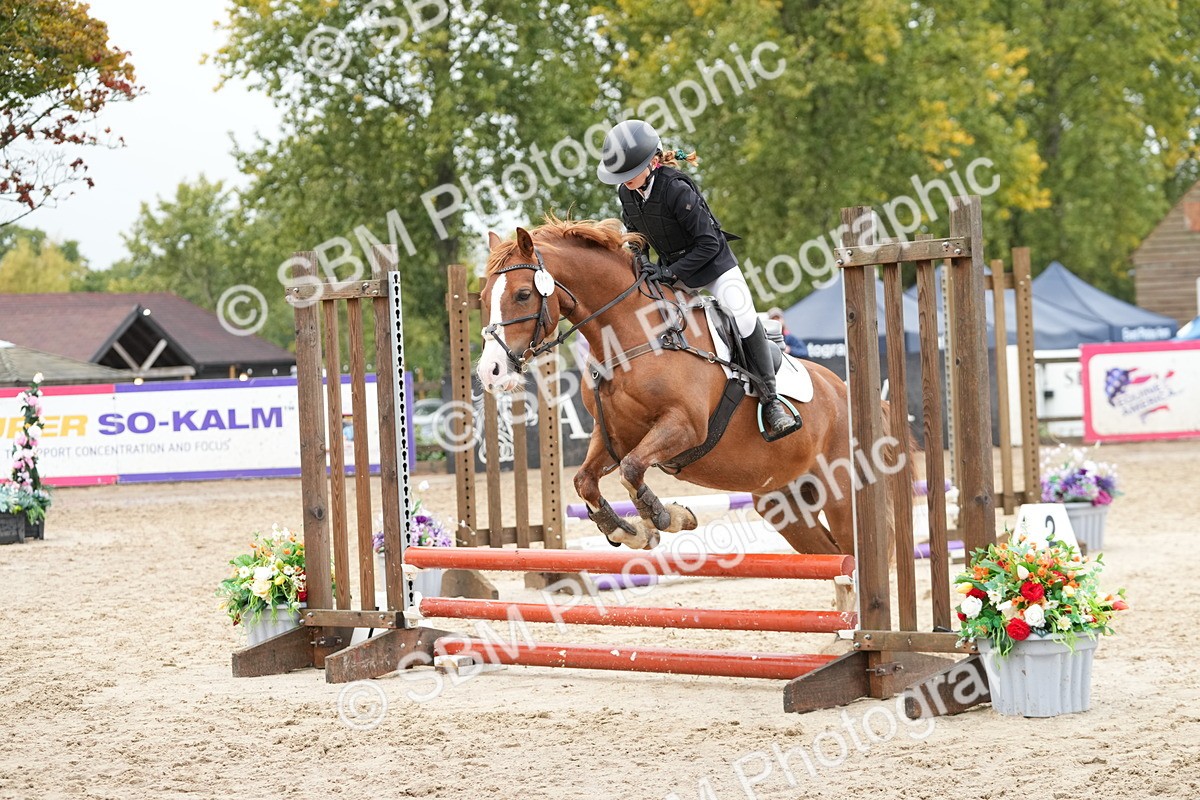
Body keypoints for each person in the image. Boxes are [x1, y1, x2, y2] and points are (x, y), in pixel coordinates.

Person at [596, 118, 801, 440]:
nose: (624, 181)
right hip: (669, 270)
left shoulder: (676, 188)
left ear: (653, 162)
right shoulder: (627, 193)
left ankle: (771, 399)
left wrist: (670, 273)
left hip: (712, 266)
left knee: (742, 316)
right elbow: (638, 237)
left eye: (629, 172)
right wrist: (642, 263)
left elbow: (708, 243)